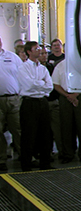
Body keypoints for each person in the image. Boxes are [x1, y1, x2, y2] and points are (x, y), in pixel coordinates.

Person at [17, 41, 53, 171]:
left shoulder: (43, 68)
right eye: (36, 48)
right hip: (29, 102)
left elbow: (50, 86)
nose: (39, 50)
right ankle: (26, 164)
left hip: (42, 101)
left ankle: (45, 163)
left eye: (39, 48)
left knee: (45, 133)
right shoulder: (23, 68)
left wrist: (38, 84)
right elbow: (28, 85)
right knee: (29, 134)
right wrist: (41, 83)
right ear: (29, 52)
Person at [52, 59, 81, 164]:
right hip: (65, 96)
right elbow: (56, 84)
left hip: (80, 95)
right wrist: (68, 95)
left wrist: (75, 95)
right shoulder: (60, 66)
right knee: (66, 126)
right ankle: (68, 154)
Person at [0, 37, 22, 172]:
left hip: (14, 99)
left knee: (18, 128)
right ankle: (2, 159)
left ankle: (23, 155)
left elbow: (22, 73)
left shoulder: (12, 57)